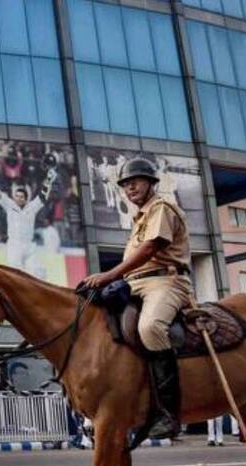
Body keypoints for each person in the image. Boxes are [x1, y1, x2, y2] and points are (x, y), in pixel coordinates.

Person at [79, 157, 192, 441]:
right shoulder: (138, 218)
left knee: (150, 327)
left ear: (151, 182)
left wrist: (108, 275)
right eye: (126, 185)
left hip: (165, 280)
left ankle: (168, 413)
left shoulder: (161, 209)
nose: (130, 188)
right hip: (135, 284)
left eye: (135, 182)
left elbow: (150, 249)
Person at [0, 171, 47, 276]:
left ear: (26, 199)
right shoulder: (9, 205)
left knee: (37, 273)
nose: (18, 198)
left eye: (21, 197)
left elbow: (43, 197)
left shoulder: (32, 207)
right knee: (16, 274)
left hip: (29, 246)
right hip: (14, 245)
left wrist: (48, 182)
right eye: (17, 196)